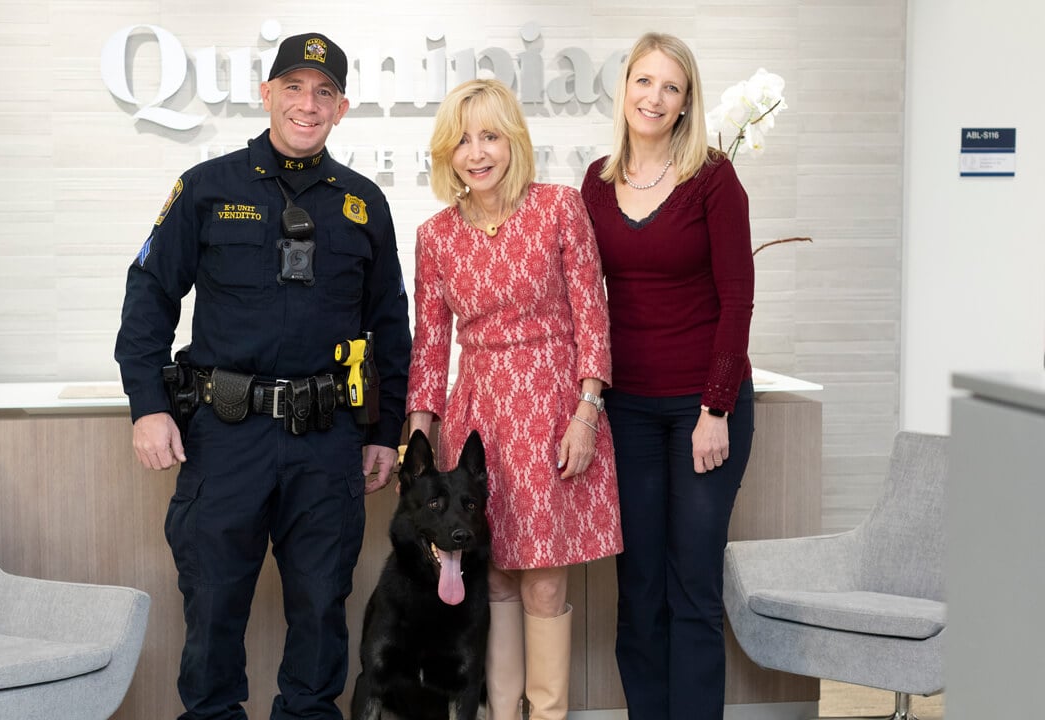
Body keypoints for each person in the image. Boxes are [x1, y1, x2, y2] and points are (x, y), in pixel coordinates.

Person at [113, 32, 411, 720]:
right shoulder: (207, 187)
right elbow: (150, 294)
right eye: (295, 87)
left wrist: (384, 434)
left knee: (319, 608)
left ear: (341, 108)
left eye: (324, 92)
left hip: (327, 438)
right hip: (225, 435)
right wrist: (148, 405)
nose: (308, 104)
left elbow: (391, 328)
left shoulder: (364, 204)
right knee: (213, 604)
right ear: (266, 93)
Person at [406, 78, 622, 720]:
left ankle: (547, 714)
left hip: (553, 413)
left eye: (491, 136)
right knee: (492, 574)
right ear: (447, 153)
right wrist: (419, 442)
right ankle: (502, 713)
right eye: (463, 140)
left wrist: (587, 413)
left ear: (515, 141)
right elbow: (428, 346)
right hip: (477, 421)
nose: (478, 152)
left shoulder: (559, 208)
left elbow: (594, 319)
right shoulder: (435, 235)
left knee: (546, 579)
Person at [579, 32, 756, 720]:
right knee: (640, 586)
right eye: (643, 82)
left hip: (702, 411)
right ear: (624, 90)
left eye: (671, 87)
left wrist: (715, 408)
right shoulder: (595, 183)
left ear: (687, 104)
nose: (654, 97)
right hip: (628, 410)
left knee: (693, 588)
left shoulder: (713, 178)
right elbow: (580, 297)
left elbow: (737, 297)